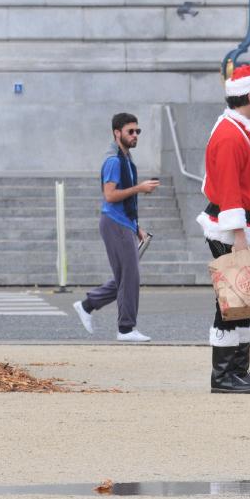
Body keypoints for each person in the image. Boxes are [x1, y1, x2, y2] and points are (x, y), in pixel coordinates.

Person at [198, 64, 250, 394]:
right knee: (232, 301)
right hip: (232, 229)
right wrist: (240, 237)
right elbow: (229, 190)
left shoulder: (235, 128)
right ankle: (225, 375)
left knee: (239, 299)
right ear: (249, 95)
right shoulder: (231, 135)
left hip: (236, 225)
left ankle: (236, 371)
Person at [72, 113, 160, 342]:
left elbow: (126, 201)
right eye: (130, 131)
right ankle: (126, 329)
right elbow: (110, 195)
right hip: (114, 223)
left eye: (137, 131)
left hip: (123, 223)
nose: (135, 135)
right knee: (130, 277)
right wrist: (140, 188)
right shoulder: (113, 160)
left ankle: (87, 305)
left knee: (125, 277)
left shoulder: (126, 159)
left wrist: (136, 226)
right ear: (117, 133)